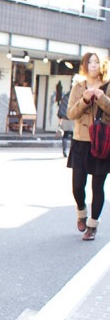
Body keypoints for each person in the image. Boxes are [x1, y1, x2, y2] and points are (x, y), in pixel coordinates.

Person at [66, 52, 110, 241]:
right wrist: (84, 100)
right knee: (77, 185)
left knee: (97, 185)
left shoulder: (108, 86)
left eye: (96, 62)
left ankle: (92, 226)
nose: (93, 65)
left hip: (102, 141)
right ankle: (81, 211)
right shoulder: (78, 86)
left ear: (102, 65)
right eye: (90, 62)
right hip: (81, 140)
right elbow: (70, 114)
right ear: (85, 65)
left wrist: (102, 98)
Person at [57, 89, 74, 157]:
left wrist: (60, 116)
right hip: (73, 119)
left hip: (65, 119)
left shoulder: (65, 97)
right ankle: (72, 152)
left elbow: (61, 108)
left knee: (65, 136)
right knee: (74, 137)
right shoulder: (75, 97)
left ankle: (64, 151)